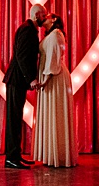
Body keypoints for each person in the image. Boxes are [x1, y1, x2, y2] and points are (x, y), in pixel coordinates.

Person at [2, 2, 45, 169]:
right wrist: (30, 79)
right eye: (43, 15)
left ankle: (15, 156)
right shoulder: (28, 30)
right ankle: (11, 158)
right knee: (13, 120)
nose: (44, 18)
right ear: (36, 15)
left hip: (18, 80)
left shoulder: (29, 28)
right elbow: (21, 56)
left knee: (16, 119)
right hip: (17, 80)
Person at [33, 14, 77, 167]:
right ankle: (52, 154)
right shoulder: (51, 35)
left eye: (46, 16)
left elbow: (53, 58)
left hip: (54, 77)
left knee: (55, 113)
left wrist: (46, 79)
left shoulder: (56, 34)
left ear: (53, 20)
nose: (43, 18)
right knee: (52, 113)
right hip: (51, 77)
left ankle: (58, 156)